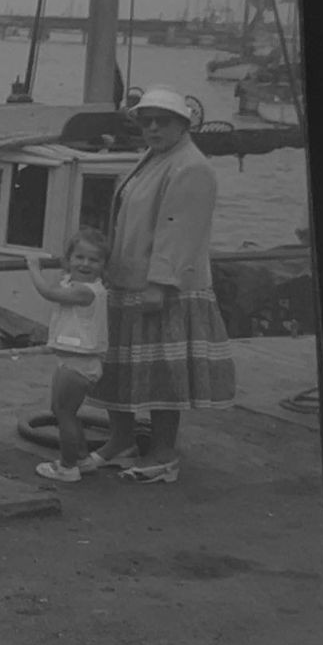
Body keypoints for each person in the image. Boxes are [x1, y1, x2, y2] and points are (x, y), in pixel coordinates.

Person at [89, 85, 236, 485]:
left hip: (162, 287)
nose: (152, 128)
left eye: (162, 121)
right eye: (146, 120)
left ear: (182, 125)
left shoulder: (191, 166)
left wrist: (159, 283)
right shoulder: (153, 157)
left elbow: (178, 231)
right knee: (118, 366)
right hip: (127, 278)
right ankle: (121, 441)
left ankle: (164, 453)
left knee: (161, 374)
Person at [23, 228, 110, 482]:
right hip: (74, 359)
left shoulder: (87, 291)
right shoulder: (75, 283)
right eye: (79, 257)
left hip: (79, 363)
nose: (85, 264)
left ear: (103, 265)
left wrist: (34, 267)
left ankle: (67, 466)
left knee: (65, 413)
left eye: (94, 260)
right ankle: (82, 459)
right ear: (68, 260)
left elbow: (48, 293)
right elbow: (62, 282)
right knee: (61, 409)